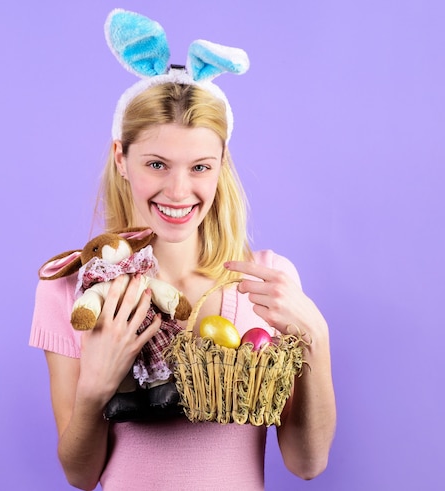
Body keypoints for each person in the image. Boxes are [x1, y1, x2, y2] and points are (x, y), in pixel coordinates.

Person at [29, 9, 336, 491]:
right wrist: (95, 388)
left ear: (221, 166)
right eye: (156, 163)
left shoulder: (268, 284)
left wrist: (316, 335)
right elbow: (80, 474)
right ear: (121, 159)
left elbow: (306, 462)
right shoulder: (73, 288)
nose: (178, 190)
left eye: (199, 167)